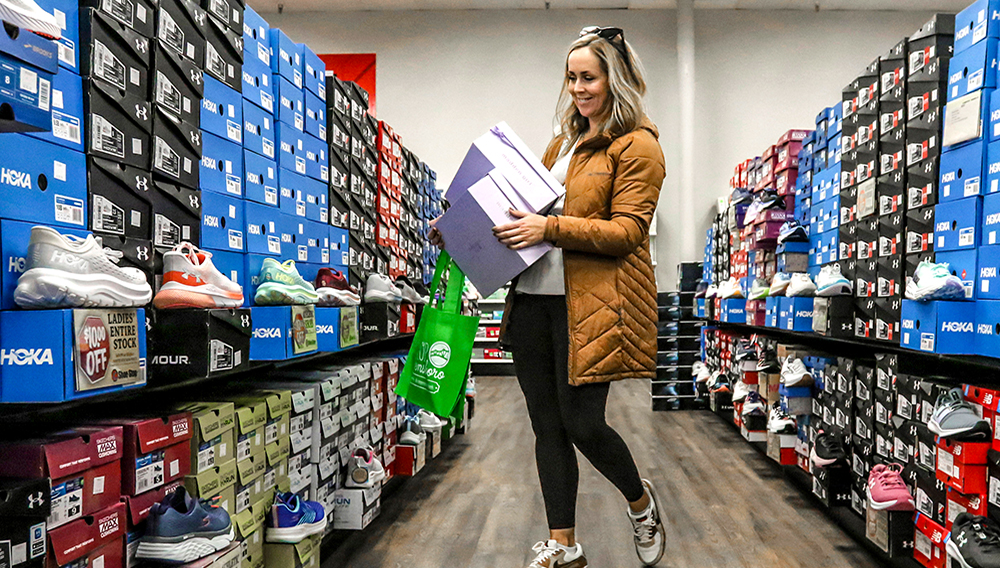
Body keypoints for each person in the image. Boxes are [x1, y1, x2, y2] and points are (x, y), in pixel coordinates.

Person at [429, 25, 665, 568]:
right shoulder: (561, 145)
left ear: (616, 79)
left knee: (584, 424)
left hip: (591, 309)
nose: (578, 88)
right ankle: (564, 545)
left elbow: (628, 232)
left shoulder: (639, 146)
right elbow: (522, 215)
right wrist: (462, 228)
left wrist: (550, 228)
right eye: (571, 77)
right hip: (534, 300)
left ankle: (640, 502)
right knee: (547, 427)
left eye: (589, 78)